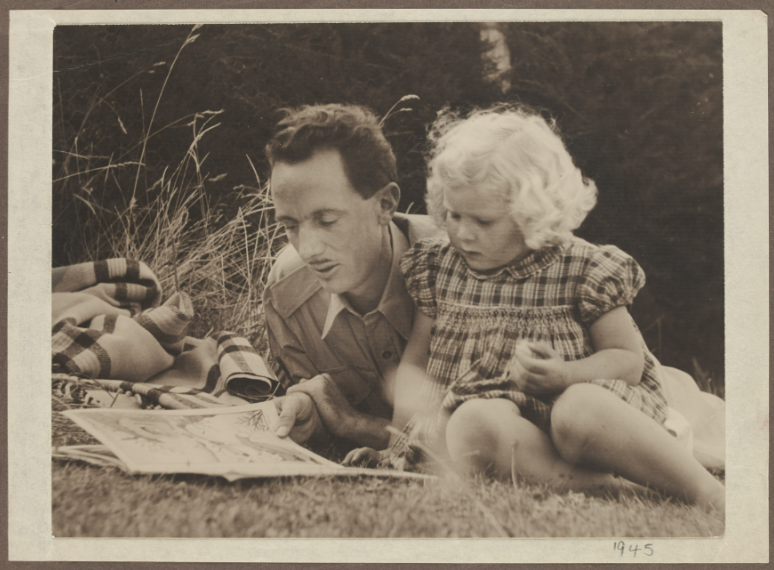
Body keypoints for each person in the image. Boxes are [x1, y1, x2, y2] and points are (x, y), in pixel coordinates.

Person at [345, 105, 725, 513]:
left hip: (588, 422)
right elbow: (417, 364)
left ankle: (706, 492)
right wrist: (395, 442)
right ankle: (625, 490)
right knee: (470, 424)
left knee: (577, 411)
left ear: (532, 214)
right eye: (453, 214)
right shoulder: (440, 267)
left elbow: (628, 362)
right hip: (513, 433)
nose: (461, 231)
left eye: (483, 221)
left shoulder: (579, 267)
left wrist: (566, 374)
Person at [262, 103, 443, 451]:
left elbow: (484, 442)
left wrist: (353, 423)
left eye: (327, 220)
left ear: (385, 205)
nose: (309, 249)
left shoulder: (461, 267)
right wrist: (311, 420)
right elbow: (326, 428)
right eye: (290, 226)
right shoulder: (286, 292)